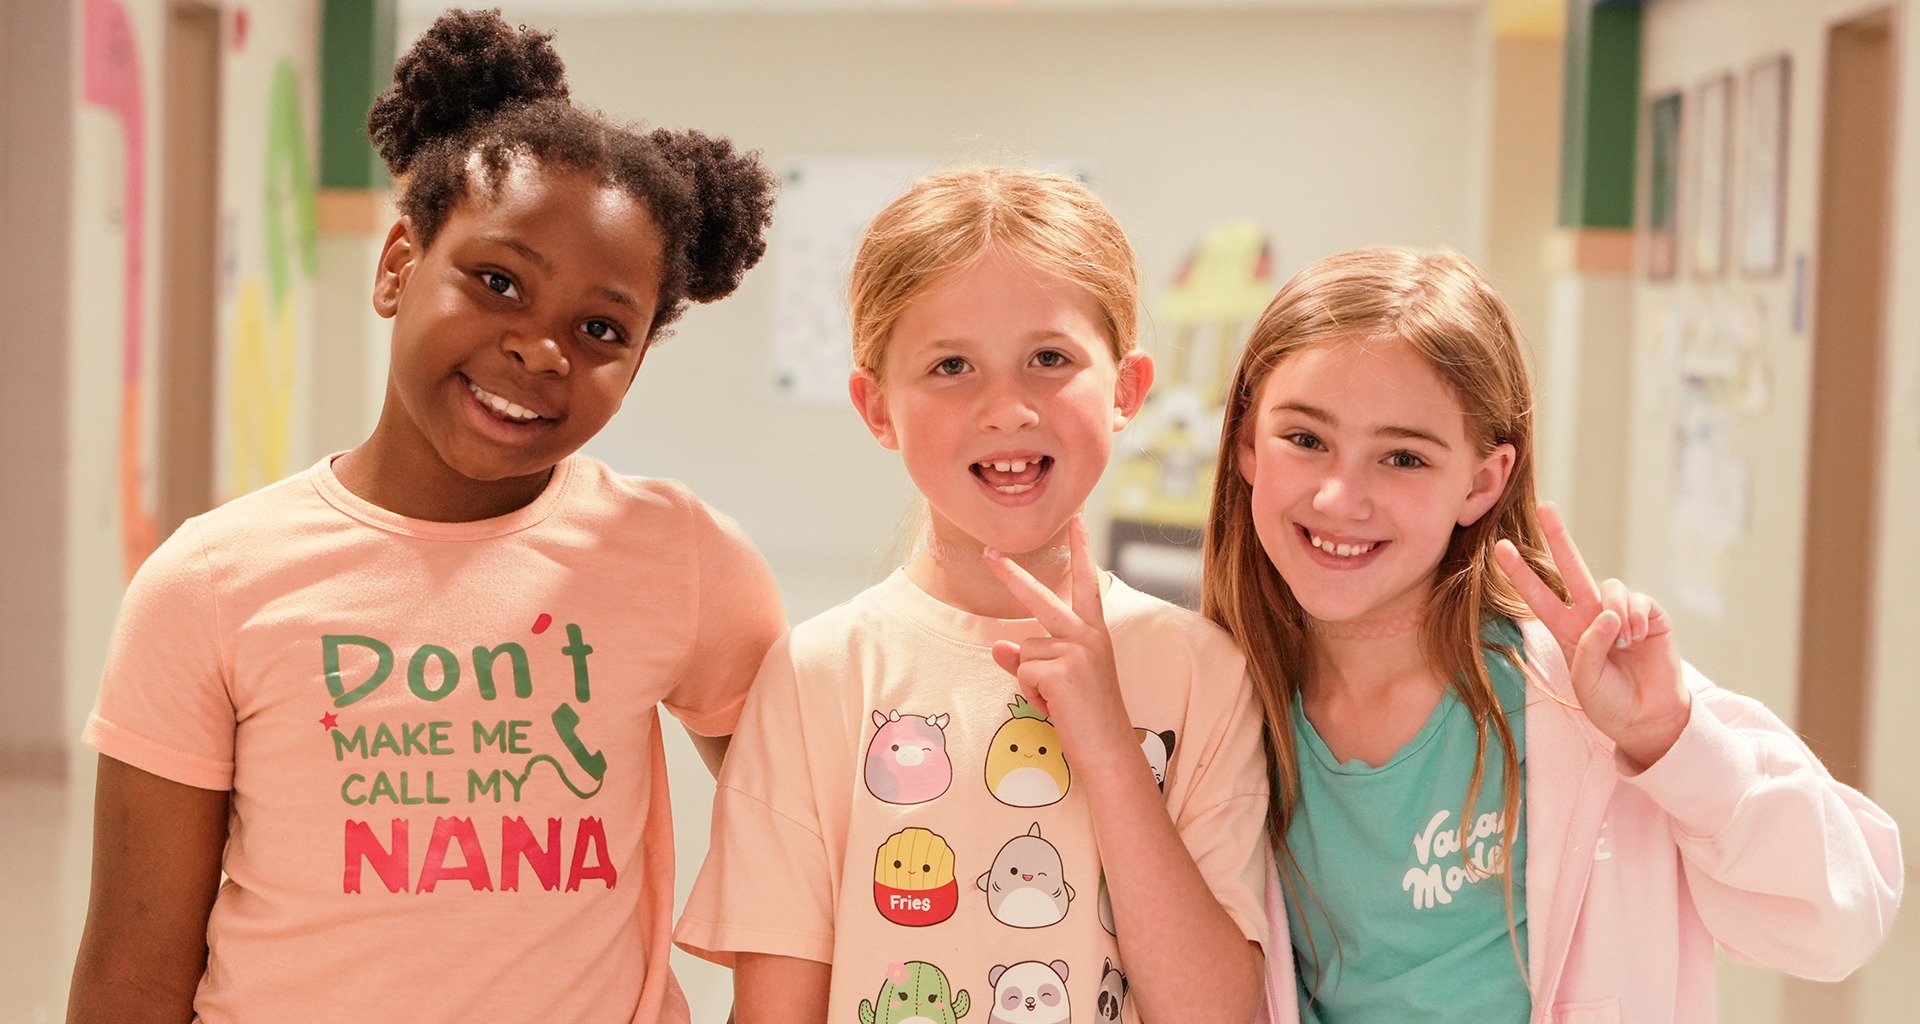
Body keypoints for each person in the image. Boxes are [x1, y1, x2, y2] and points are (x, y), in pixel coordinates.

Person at [65, 10, 783, 1023]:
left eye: (599, 328)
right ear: (399, 263)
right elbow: (132, 975)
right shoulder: (211, 582)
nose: (541, 351)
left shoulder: (679, 556)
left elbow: (813, 834)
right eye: (497, 282)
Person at [1201, 246, 1903, 1024]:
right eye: (1305, 439)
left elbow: (1838, 922)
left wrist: (1673, 741)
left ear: (1481, 482)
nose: (1340, 496)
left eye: (1403, 457)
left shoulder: (1579, 694)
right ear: (1245, 447)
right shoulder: (1220, 704)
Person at [675, 168, 1274, 1024]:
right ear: (876, 408)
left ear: (1127, 391)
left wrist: (1109, 749)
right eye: (951, 365)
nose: (1007, 408)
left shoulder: (1200, 670)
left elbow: (1217, 1013)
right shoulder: (816, 678)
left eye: (1050, 359)